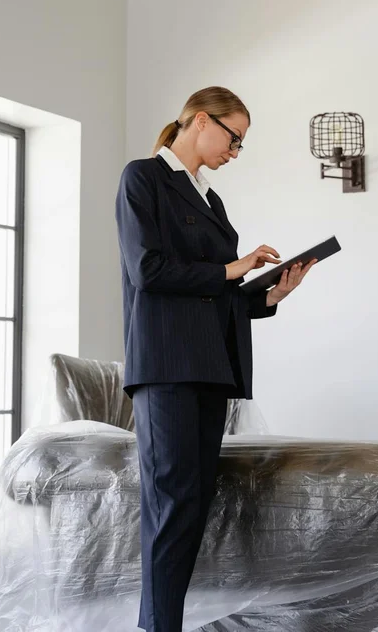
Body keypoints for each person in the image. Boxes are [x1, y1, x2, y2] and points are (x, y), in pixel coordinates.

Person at [115, 86, 315, 632]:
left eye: (240, 144)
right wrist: (234, 268)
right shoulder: (143, 178)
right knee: (173, 506)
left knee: (192, 507)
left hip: (209, 367)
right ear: (200, 121)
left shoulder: (211, 201)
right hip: (166, 367)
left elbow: (217, 297)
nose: (235, 151)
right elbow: (147, 271)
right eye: (234, 138)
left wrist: (267, 294)